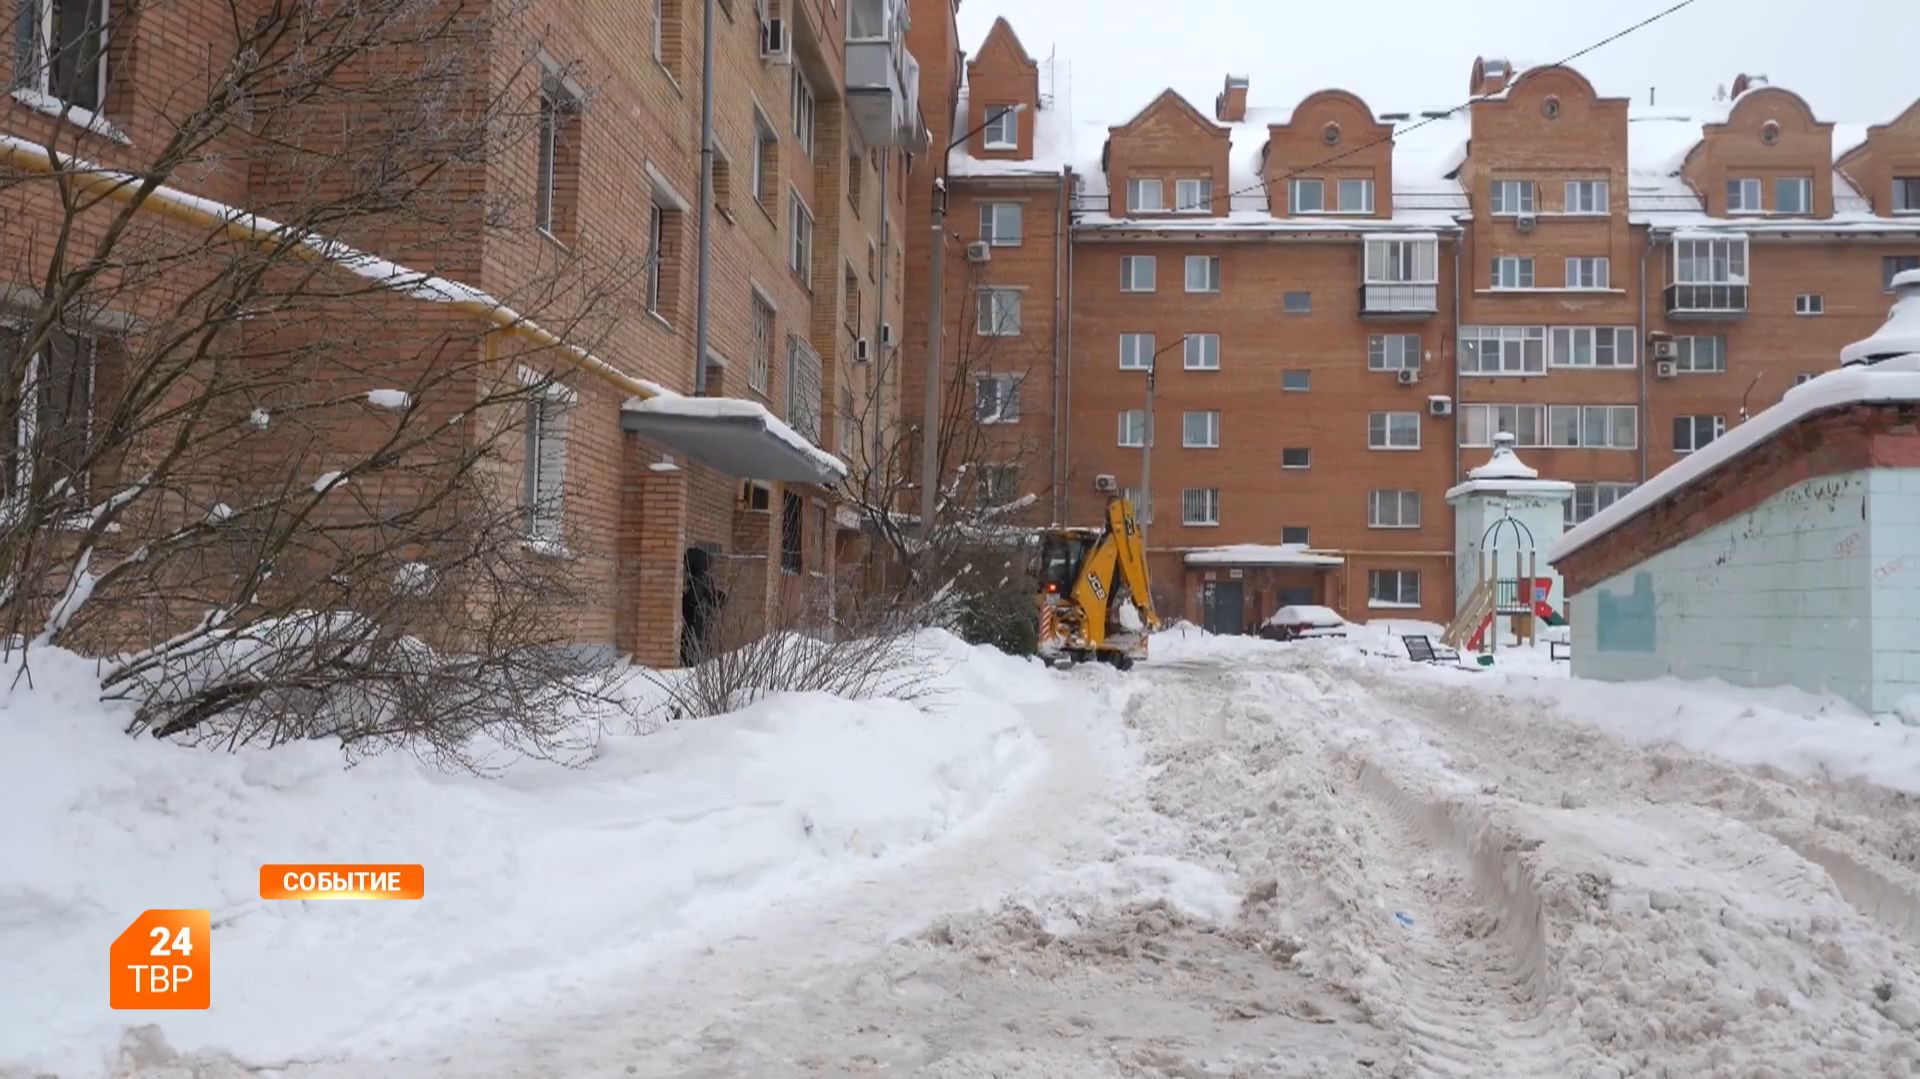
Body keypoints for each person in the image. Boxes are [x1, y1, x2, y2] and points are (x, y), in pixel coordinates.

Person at [680, 546, 726, 666]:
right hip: (701, 628)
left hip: (695, 627)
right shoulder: (706, 578)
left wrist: (683, 595)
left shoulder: (699, 579)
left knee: (691, 659)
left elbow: (693, 598)